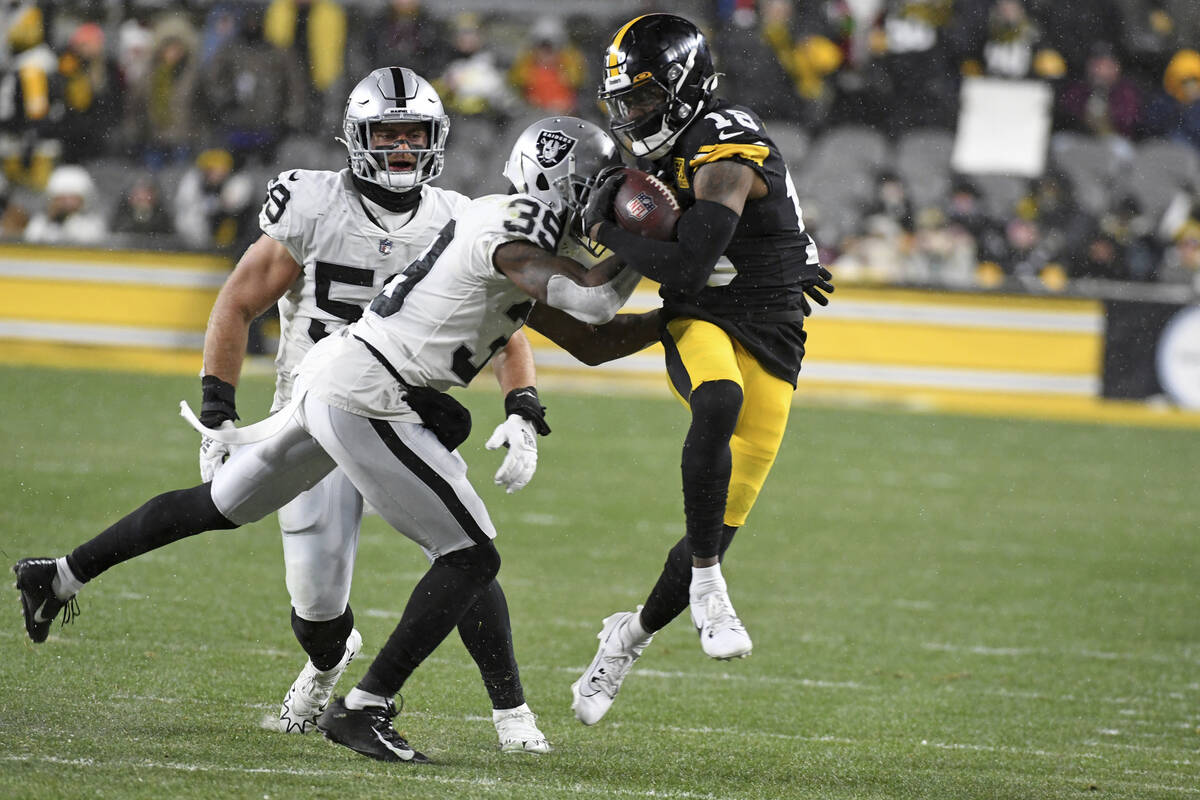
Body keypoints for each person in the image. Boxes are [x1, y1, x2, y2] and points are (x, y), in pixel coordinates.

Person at [13, 112, 656, 764]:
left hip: (348, 378)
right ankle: (365, 707)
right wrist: (658, 254)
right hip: (370, 394)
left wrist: (667, 323)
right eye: (593, 188)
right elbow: (597, 305)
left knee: (219, 507)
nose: (601, 203)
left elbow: (591, 338)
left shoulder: (494, 219)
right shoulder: (508, 231)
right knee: (468, 554)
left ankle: (59, 575)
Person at [191, 66, 553, 752]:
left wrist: (523, 406)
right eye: (385, 132)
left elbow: (509, 330)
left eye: (413, 132)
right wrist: (217, 408)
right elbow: (238, 300)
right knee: (317, 604)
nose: (400, 146)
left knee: (467, 551)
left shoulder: (457, 217)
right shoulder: (314, 205)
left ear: (436, 138)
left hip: (402, 415)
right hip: (315, 416)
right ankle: (328, 658)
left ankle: (513, 714)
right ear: (356, 137)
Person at [569, 13, 833, 726]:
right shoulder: (661, 159)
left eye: (648, 99)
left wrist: (609, 227)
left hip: (774, 331)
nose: (636, 115)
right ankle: (712, 589)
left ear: (685, 91)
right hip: (701, 316)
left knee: (715, 524)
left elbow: (688, 254)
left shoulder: (723, 144)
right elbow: (687, 272)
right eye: (628, 101)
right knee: (717, 398)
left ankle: (626, 639)